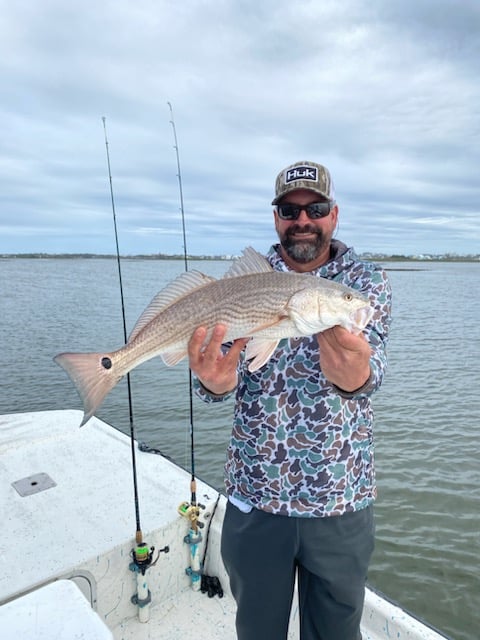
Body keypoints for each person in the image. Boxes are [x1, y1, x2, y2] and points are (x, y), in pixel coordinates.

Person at [188, 160, 392, 640]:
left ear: (334, 215)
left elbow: (370, 372)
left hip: (339, 498)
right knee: (258, 631)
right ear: (276, 217)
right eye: (289, 209)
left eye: (315, 208)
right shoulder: (243, 285)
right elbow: (219, 377)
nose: (303, 220)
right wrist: (214, 383)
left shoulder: (363, 283)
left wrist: (352, 373)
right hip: (256, 498)